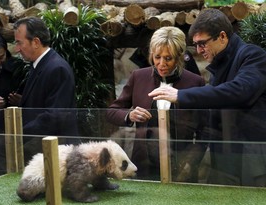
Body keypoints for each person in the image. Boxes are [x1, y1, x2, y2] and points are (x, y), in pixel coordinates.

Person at [148, 8, 266, 187]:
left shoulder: (253, 55)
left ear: (222, 36)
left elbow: (240, 91)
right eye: (195, 45)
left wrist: (180, 95)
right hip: (225, 155)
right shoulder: (218, 66)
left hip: (252, 154)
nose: (198, 50)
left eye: (202, 43)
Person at [106, 26, 207, 182]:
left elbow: (204, 130)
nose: (161, 64)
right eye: (157, 57)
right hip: (143, 163)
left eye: (168, 58)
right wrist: (129, 115)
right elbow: (112, 112)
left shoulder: (195, 82)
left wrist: (191, 161)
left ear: (179, 57)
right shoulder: (138, 77)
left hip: (181, 163)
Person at [13, 16, 77, 162]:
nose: (16, 49)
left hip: (57, 153)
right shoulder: (40, 65)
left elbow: (54, 116)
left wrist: (18, 134)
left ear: (35, 42)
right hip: (41, 149)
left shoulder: (57, 68)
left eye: (19, 42)